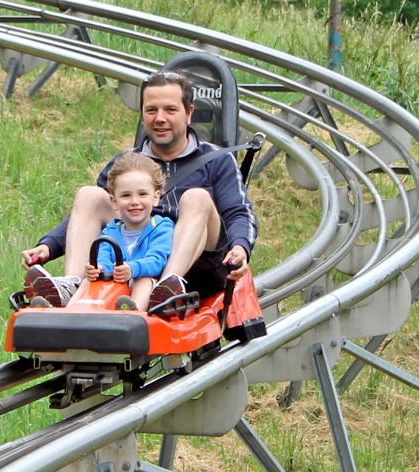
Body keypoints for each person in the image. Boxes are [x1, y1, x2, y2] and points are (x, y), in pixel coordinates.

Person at [20, 69, 256, 312]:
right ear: (142, 115)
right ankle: (72, 284)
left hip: (197, 268)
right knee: (89, 195)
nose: (160, 118)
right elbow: (85, 213)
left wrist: (240, 247)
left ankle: (167, 286)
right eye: (151, 110)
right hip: (132, 258)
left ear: (189, 114)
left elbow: (239, 212)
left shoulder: (216, 160)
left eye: (170, 110)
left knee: (196, 197)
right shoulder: (127, 163)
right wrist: (48, 246)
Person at [58, 154, 174, 311]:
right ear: (114, 201)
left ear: (155, 197)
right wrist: (97, 269)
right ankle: (68, 311)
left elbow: (157, 260)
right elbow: (104, 257)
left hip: (146, 286)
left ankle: (133, 312)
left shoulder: (161, 227)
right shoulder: (111, 231)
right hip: (116, 285)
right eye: (126, 195)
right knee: (87, 281)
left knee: (143, 280)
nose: (134, 201)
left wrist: (132, 269)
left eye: (142, 194)